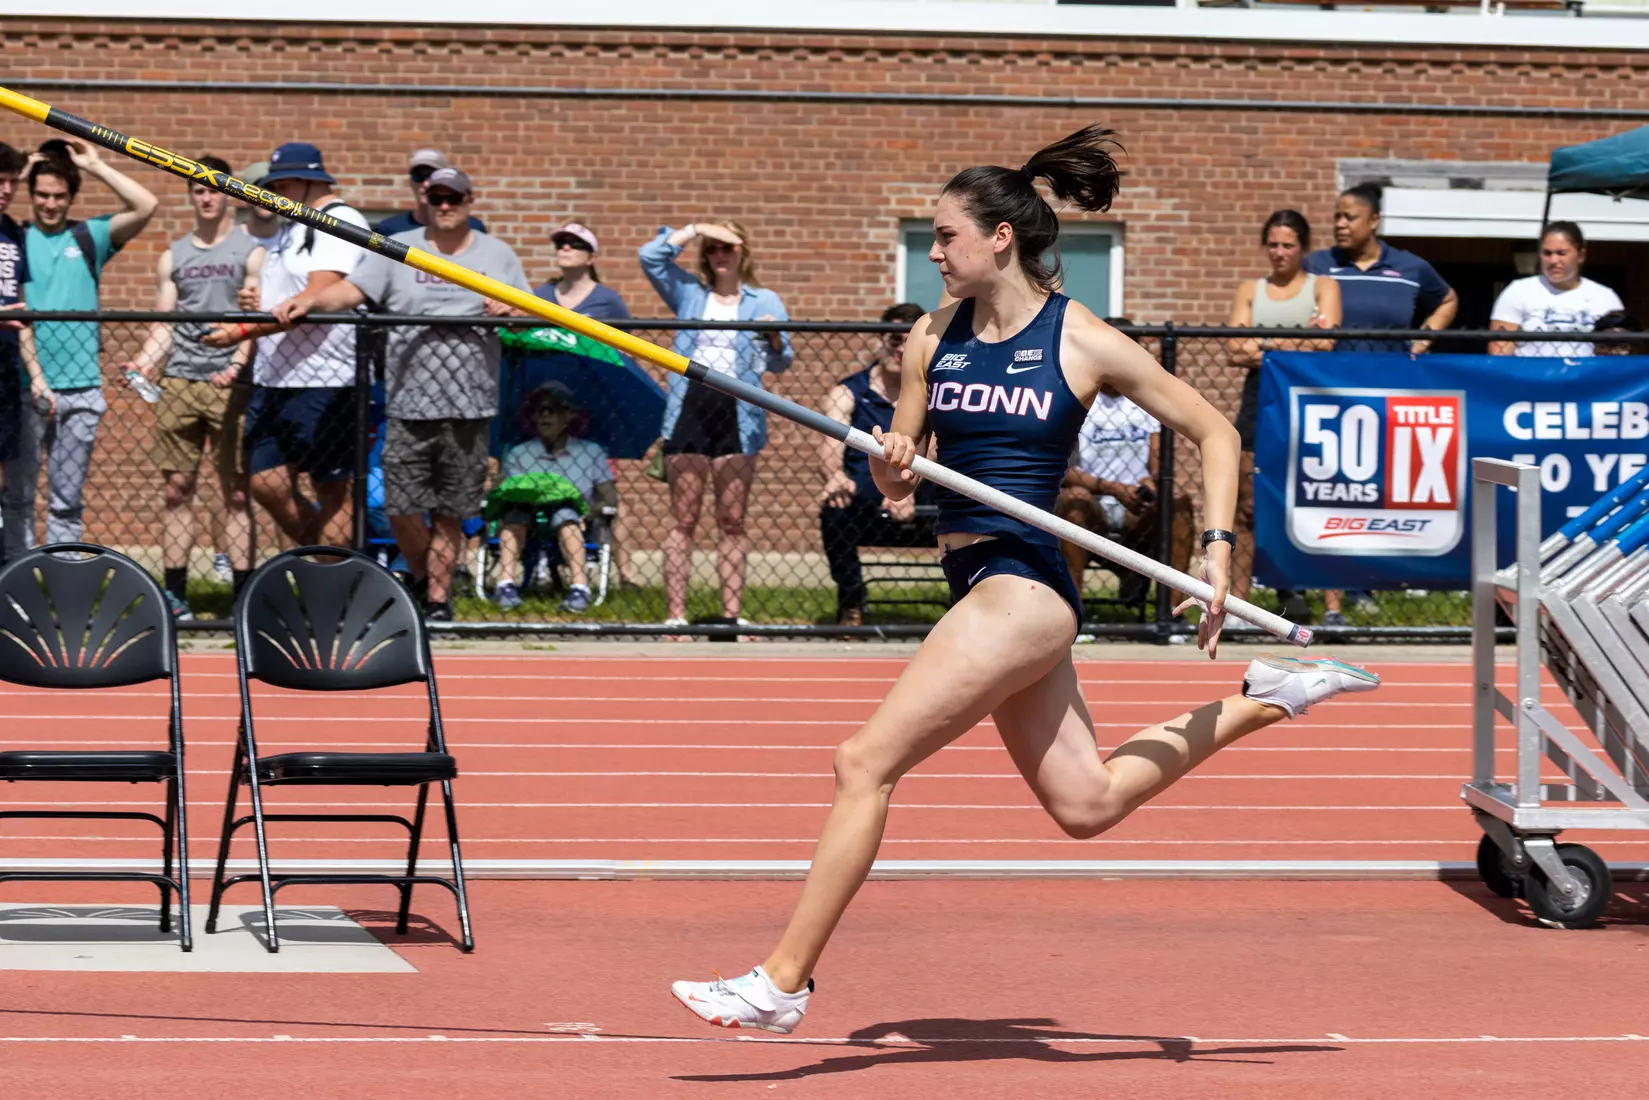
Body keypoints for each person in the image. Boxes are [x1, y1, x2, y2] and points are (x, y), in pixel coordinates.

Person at [668, 125, 1382, 1033]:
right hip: (972, 578)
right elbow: (898, 482)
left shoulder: (1080, 338)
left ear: (999, 237)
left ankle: (782, 983)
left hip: (1028, 586)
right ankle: (1267, 698)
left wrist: (1209, 548)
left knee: (862, 763)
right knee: (1087, 804)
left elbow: (1214, 430)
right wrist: (893, 460)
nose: (933, 254)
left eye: (944, 237)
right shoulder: (933, 336)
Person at [272, 167, 530, 620]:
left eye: (454, 198)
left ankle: (436, 599)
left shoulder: (497, 253)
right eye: (437, 197)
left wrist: (511, 308)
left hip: (470, 404)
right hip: (408, 402)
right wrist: (311, 301)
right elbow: (352, 290)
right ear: (425, 199)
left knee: (451, 512)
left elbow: (528, 314)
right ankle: (421, 575)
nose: (445, 206)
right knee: (400, 507)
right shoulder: (398, 247)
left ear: (470, 200)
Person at [204, 142, 367, 551]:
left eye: (278, 185)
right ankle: (332, 560)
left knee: (332, 489)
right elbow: (282, 297)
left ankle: (333, 584)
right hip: (274, 376)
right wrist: (252, 305)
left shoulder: (341, 220)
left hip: (325, 379)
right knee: (265, 483)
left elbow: (314, 298)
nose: (270, 194)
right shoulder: (287, 229)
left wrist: (241, 332)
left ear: (305, 182)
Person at [120, 155, 263, 620]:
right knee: (177, 490)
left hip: (229, 382)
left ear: (229, 194)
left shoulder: (250, 250)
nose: (207, 197)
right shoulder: (174, 255)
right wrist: (143, 362)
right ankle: (175, 596)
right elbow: (165, 323)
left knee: (236, 492)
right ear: (191, 196)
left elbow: (255, 318)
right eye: (199, 190)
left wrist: (238, 363)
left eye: (215, 189)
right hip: (180, 378)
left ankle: (241, 598)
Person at [5, 138, 157, 551]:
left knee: (66, 502)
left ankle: (63, 583)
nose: (49, 204)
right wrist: (23, 168)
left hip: (82, 388)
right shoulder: (14, 237)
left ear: (71, 197)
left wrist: (95, 167)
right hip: (25, 386)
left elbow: (146, 205)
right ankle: (16, 583)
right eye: (41, 195)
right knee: (16, 499)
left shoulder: (89, 236)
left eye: (58, 196)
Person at [640, 219, 793, 627]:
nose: (720, 255)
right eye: (713, 247)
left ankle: (731, 616)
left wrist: (774, 336)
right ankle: (676, 616)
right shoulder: (690, 293)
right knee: (684, 517)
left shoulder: (765, 300)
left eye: (728, 246)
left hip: (739, 410)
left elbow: (782, 363)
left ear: (743, 250)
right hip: (690, 404)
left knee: (732, 519)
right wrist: (694, 228)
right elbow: (650, 257)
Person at [1225, 210, 1340, 615]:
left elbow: (1326, 345)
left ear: (1303, 247)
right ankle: (1239, 605)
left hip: (1311, 402)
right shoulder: (1251, 289)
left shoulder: (1323, 286)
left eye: (1288, 244)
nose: (1279, 252)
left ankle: (1332, 607)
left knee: (1319, 500)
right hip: (1261, 399)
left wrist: (1264, 342)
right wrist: (1296, 340)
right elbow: (1234, 349)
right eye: (1272, 244)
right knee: (1246, 506)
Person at [533, 221, 641, 587]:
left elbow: (627, 353)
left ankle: (624, 572)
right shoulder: (540, 294)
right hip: (546, 404)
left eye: (575, 243)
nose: (565, 247)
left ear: (591, 256)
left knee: (604, 485)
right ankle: (546, 563)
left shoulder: (607, 301)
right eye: (561, 242)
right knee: (544, 478)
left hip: (592, 407)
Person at [817, 302, 932, 626]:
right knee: (836, 504)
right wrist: (835, 475)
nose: (901, 349)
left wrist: (907, 487)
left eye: (910, 341)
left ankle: (964, 603)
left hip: (924, 486)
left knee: (961, 497)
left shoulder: (934, 392)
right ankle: (852, 602)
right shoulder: (849, 392)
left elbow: (937, 448)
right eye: (895, 340)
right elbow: (830, 441)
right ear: (880, 341)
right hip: (866, 487)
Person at [1054, 379, 1194, 610]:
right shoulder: (1078, 399)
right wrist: (1112, 488)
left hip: (1136, 506)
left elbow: (1159, 461)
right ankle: (1073, 613)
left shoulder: (1145, 401)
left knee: (1178, 499)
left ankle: (1171, 614)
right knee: (1074, 499)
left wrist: (1151, 481)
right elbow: (1062, 469)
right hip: (1092, 501)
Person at [491, 382, 618, 613]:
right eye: (539, 410)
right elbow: (509, 493)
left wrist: (590, 511)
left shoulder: (592, 452)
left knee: (565, 514)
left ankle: (580, 588)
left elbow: (610, 499)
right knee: (515, 513)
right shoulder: (518, 453)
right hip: (528, 519)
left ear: (568, 415)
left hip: (577, 521)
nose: (544, 415)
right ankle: (505, 585)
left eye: (553, 409)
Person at [1305, 184, 1456, 355]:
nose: (1340, 224)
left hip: (1389, 376)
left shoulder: (1409, 266)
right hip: (1327, 376)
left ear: (1374, 221)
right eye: (1337, 217)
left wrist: (1423, 340)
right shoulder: (1316, 264)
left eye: (1349, 217)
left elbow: (1447, 301)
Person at [1489, 221, 1623, 358]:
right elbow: (1499, 352)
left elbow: (1617, 353)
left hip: (1586, 377)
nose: (1553, 260)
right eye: (1547, 253)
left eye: (1561, 253)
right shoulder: (1518, 291)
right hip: (1532, 377)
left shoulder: (1605, 297)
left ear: (1581, 256)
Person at [0, 142, 35, 565]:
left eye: (12, 182)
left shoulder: (12, 231)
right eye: (0, 181)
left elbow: (19, 300)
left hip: (6, 365)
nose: (6, 189)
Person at [372, 149, 487, 237]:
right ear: (411, 182)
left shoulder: (472, 229)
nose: (426, 184)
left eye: (433, 176)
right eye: (419, 176)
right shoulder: (389, 229)